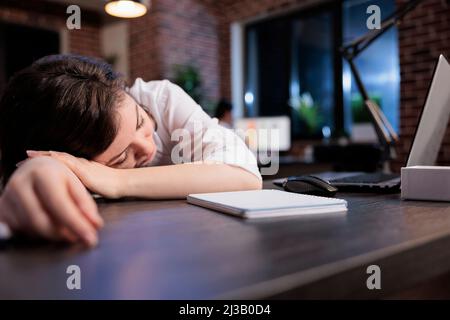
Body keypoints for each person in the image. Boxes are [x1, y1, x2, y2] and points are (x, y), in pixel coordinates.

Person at [0, 54, 262, 247]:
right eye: (122, 157)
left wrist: (117, 179)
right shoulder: (71, 152)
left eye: (140, 122)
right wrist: (43, 166)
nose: (148, 147)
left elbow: (244, 174)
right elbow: (55, 167)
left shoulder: (161, 100)